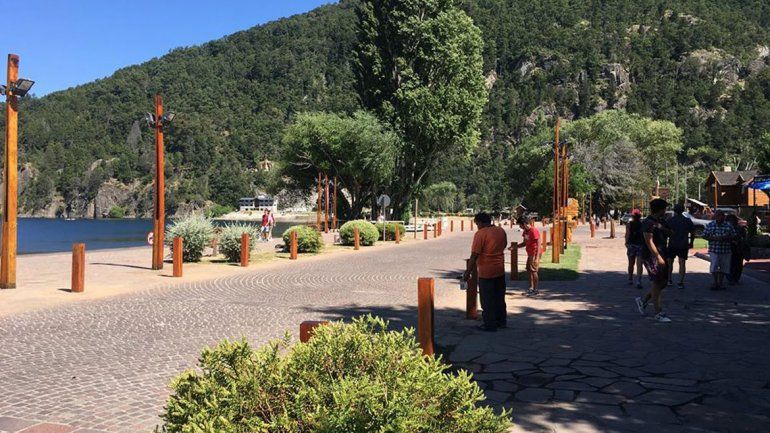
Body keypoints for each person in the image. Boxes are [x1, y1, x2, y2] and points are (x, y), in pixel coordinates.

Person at [464, 212, 508, 332]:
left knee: (487, 299)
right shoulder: (500, 230)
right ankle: (501, 321)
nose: (477, 226)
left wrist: (468, 272)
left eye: (477, 224)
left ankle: (490, 324)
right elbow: (504, 245)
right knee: (499, 297)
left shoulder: (480, 234)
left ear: (481, 222)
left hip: (486, 271)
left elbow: (474, 255)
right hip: (500, 269)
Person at [635, 198, 673, 323]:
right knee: (657, 282)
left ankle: (643, 301)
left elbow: (671, 232)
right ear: (661, 209)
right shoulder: (648, 222)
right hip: (651, 256)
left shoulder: (661, 221)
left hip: (663, 251)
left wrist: (662, 227)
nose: (666, 211)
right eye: (665, 208)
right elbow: (648, 241)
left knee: (663, 282)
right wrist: (658, 257)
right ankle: (658, 312)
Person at [703, 210, 736, 290]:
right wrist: (714, 238)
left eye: (721, 216)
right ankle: (715, 282)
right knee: (714, 266)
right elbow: (704, 235)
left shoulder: (728, 226)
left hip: (725, 250)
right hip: (714, 249)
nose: (719, 218)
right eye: (717, 216)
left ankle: (720, 283)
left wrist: (725, 238)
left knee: (724, 267)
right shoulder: (710, 225)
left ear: (724, 217)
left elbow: (734, 236)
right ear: (715, 217)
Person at [666, 203, 694, 289]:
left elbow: (666, 233)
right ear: (683, 210)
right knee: (682, 263)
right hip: (683, 244)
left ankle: (669, 279)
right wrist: (691, 242)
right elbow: (692, 233)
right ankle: (680, 281)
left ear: (674, 210)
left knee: (670, 262)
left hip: (672, 244)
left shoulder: (670, 220)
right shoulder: (687, 221)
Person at [516, 215, 540, 296]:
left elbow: (539, 244)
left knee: (533, 270)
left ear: (524, 223)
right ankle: (530, 288)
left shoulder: (533, 230)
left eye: (520, 225)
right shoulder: (525, 231)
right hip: (530, 253)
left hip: (535, 253)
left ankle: (535, 290)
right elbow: (524, 243)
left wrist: (536, 258)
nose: (520, 227)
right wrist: (515, 247)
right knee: (529, 270)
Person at [726, 214, 749, 284]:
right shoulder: (726, 228)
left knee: (738, 265)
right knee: (730, 264)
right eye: (729, 220)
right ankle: (731, 278)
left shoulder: (740, 228)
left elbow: (744, 238)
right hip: (729, 249)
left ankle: (736, 278)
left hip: (738, 249)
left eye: (732, 220)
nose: (730, 222)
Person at [625, 209, 644, 289]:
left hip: (631, 244)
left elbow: (627, 235)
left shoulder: (629, 224)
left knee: (631, 263)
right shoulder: (642, 224)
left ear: (632, 216)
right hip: (640, 245)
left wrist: (626, 242)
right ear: (639, 216)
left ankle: (630, 278)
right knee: (639, 264)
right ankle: (639, 280)